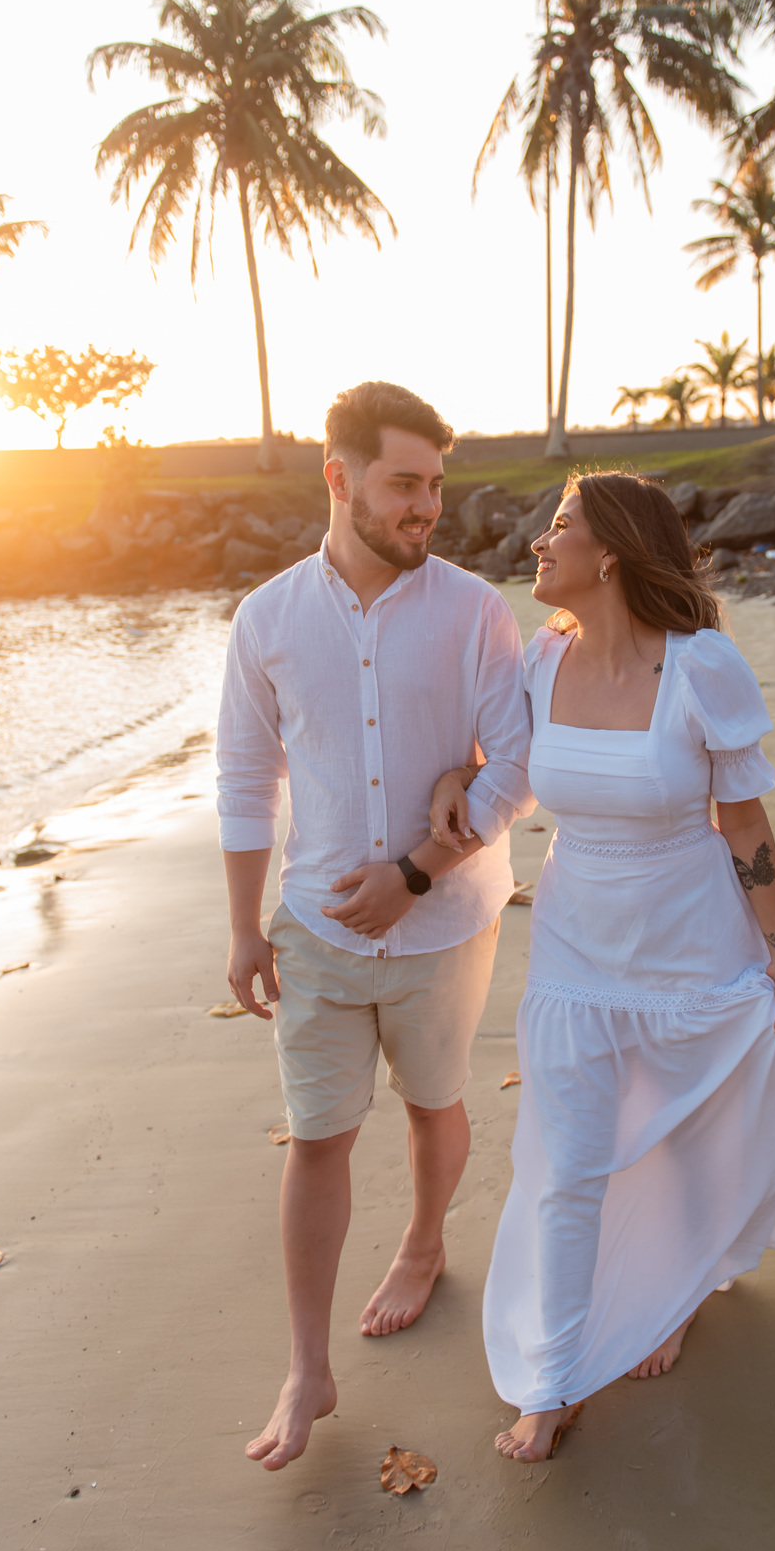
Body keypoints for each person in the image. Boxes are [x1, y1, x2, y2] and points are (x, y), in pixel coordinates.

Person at [431, 474, 775, 1462]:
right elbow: (512, 775)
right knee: (563, 1165)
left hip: (692, 946)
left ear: (610, 554)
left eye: (557, 528)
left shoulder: (703, 667)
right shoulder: (542, 658)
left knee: (687, 1136)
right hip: (575, 949)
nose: (534, 543)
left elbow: (742, 817)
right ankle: (551, 1383)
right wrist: (454, 784)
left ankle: (673, 1293)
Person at [217, 380, 533, 1470]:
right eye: (405, 483)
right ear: (338, 477)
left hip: (445, 927)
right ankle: (308, 1368)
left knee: (435, 1105)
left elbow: (517, 762)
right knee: (318, 1136)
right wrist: (244, 927)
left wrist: (417, 869)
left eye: (437, 486)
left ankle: (425, 1239)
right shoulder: (266, 619)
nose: (426, 508)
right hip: (313, 928)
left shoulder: (474, 610)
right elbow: (246, 777)